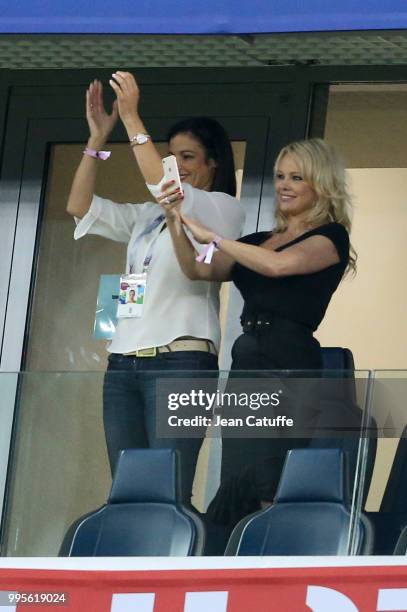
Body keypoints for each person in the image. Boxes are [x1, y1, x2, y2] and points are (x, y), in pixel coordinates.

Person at [160, 137, 356, 548]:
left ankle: (274, 564)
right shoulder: (257, 239)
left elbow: (279, 266)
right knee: (238, 476)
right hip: (247, 362)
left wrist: (212, 236)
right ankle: (233, 565)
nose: (284, 185)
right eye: (280, 177)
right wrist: (175, 220)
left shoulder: (330, 236)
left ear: (320, 185)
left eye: (296, 178)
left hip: (289, 364)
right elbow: (199, 270)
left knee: (271, 477)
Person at [66, 72, 245, 503]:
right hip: (123, 364)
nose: (177, 165)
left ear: (212, 164)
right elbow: (79, 206)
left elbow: (167, 187)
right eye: (172, 155)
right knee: (127, 490)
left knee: (168, 489)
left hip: (180, 362)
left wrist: (131, 117)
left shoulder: (221, 208)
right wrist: (97, 141)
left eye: (188, 157)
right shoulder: (149, 215)